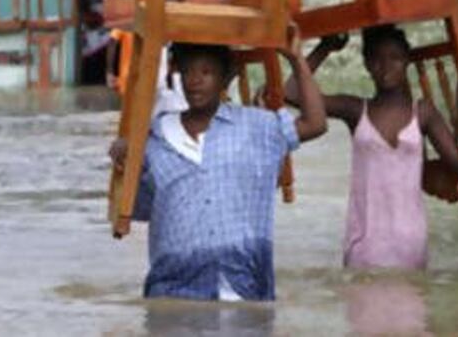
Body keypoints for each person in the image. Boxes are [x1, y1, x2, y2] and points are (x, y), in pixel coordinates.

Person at [108, 25, 327, 301]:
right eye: (188, 71)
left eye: (206, 72)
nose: (195, 81)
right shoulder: (154, 138)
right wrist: (125, 164)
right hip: (173, 292)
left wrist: (296, 58)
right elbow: (138, 210)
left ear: (225, 78)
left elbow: (316, 123)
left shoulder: (255, 126)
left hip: (244, 288)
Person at [284, 24, 458, 270]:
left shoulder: (423, 112)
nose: (386, 67)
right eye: (377, 59)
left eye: (395, 58)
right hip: (365, 240)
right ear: (367, 65)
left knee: (410, 305)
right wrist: (325, 47)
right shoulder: (356, 110)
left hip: (410, 239)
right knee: (364, 304)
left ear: (407, 61)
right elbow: (292, 93)